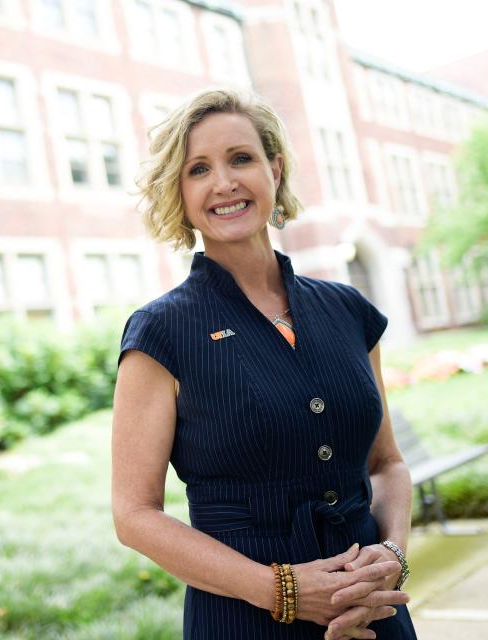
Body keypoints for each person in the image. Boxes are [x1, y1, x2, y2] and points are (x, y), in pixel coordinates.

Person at [111, 88, 417, 640]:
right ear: (179, 194)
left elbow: (387, 464)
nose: (224, 182)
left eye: (241, 158)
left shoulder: (348, 310)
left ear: (274, 169)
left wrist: (393, 549)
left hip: (375, 613)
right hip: (244, 619)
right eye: (198, 169)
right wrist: (282, 591)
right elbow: (134, 515)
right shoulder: (161, 332)